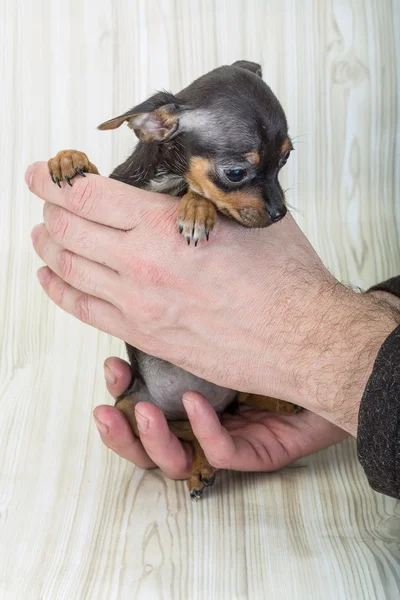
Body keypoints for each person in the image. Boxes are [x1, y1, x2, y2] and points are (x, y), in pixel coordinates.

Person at [26, 162, 400, 499]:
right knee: (130, 414)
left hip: (235, 384)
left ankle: (245, 407)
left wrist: (323, 353)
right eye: (236, 169)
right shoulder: (148, 171)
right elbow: (103, 193)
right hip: (157, 389)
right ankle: (203, 437)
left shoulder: (205, 191)